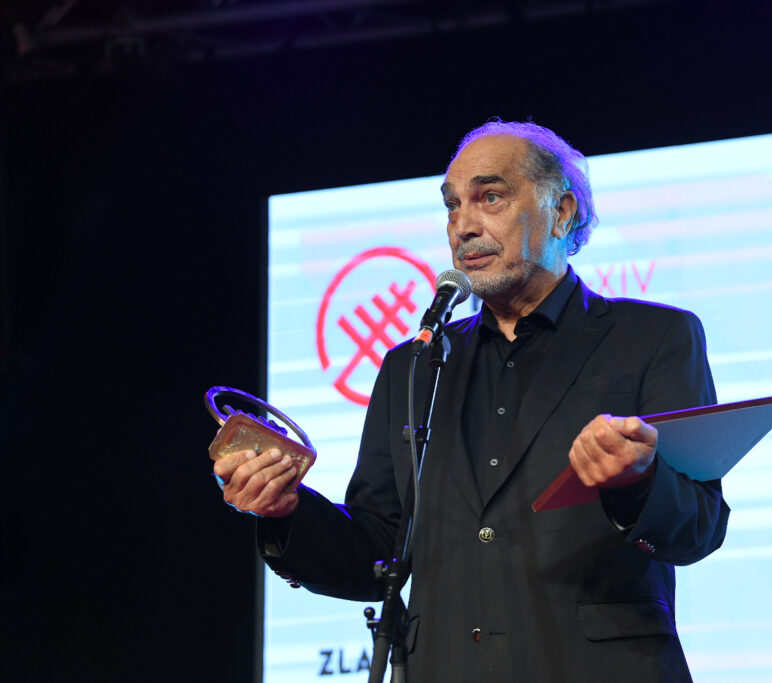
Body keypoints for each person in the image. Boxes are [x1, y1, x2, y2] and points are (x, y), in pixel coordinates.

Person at [214, 121, 729, 682]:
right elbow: (378, 552)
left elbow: (699, 526)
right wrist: (288, 511)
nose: (463, 226)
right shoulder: (412, 367)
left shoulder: (654, 337)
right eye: (452, 206)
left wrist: (637, 481)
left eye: (490, 197)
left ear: (562, 212)